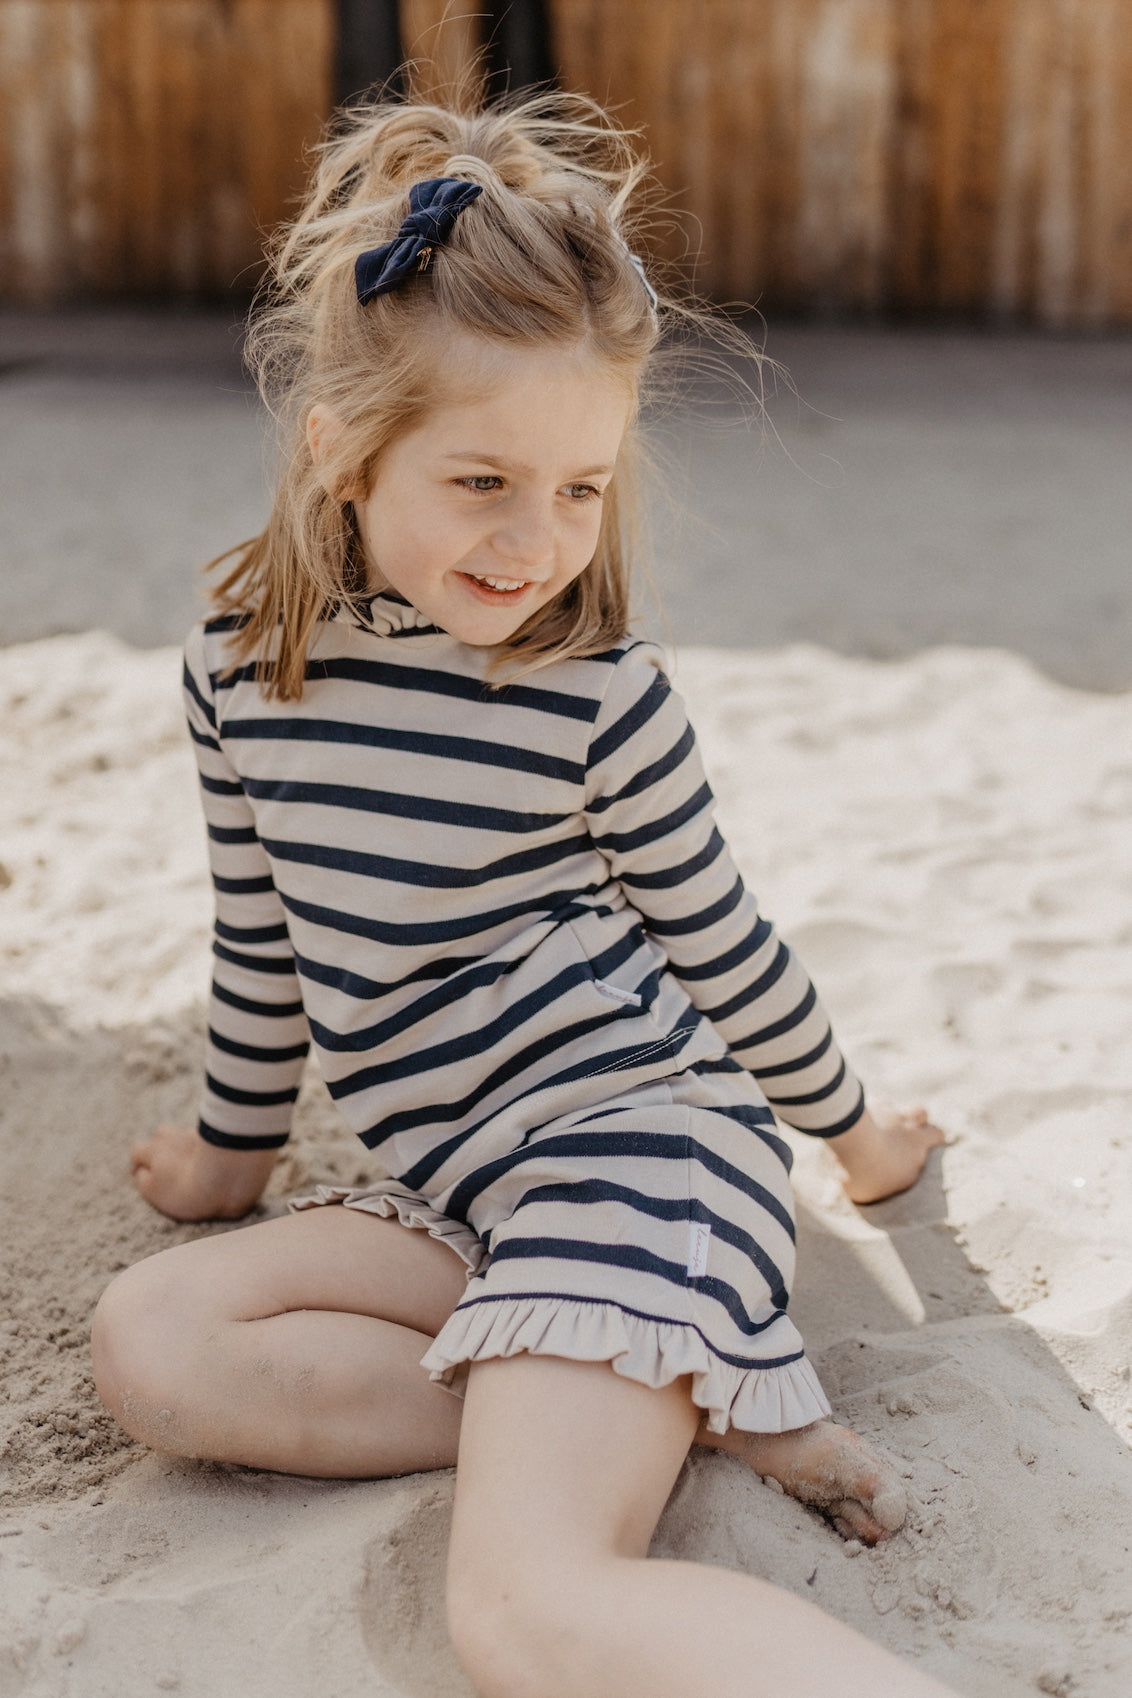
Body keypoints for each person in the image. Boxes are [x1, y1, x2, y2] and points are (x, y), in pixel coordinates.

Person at [91, 85, 955, 1698]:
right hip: (463, 1199)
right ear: (343, 448)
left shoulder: (595, 692)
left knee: (529, 1609)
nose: (537, 541)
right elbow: (261, 942)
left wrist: (856, 1140)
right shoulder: (237, 665)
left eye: (579, 487)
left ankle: (610, 1415)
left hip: (640, 1151)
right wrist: (225, 1155)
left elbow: (720, 938)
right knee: (155, 1339)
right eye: (483, 481)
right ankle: (639, 1400)